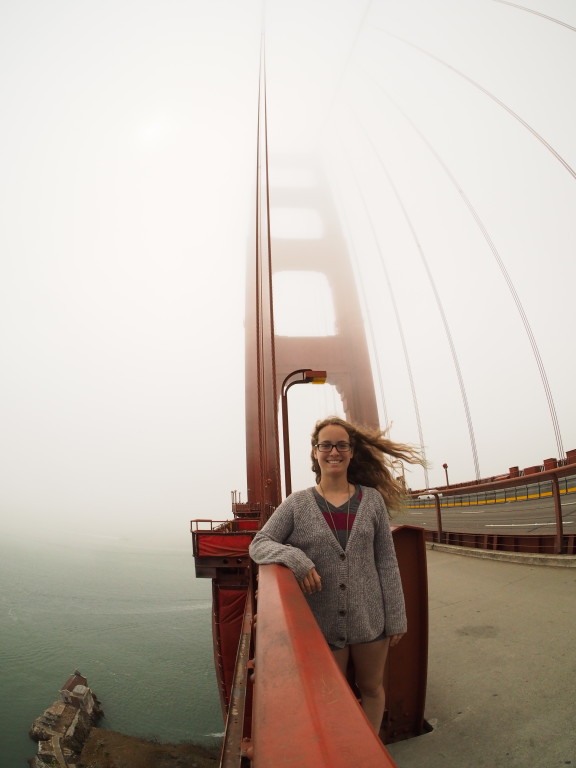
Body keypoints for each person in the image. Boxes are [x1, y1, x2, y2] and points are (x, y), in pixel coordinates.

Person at [249, 416, 425, 734]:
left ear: (352, 452)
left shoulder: (371, 500)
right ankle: (343, 747)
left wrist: (397, 617)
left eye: (342, 445)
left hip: (370, 618)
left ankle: (370, 748)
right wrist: (296, 559)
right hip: (324, 622)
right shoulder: (297, 503)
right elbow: (260, 543)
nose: (334, 452)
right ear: (315, 452)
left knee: (372, 689)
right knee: (331, 694)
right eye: (326, 445)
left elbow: (387, 561)